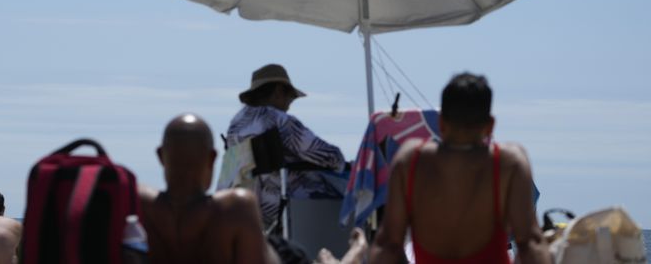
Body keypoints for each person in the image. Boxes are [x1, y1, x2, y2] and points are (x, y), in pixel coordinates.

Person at [369, 73, 551, 264]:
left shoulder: (410, 161)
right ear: (490, 126)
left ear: (440, 123)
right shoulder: (509, 164)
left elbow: (389, 245)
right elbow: (529, 244)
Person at [139, 113, 279, 264]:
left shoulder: (137, 204)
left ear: (160, 155)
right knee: (286, 250)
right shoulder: (236, 208)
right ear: (212, 157)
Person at [219, 64, 347, 229]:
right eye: (290, 97)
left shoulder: (235, 125)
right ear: (279, 91)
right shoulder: (278, 120)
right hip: (287, 209)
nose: (289, 104)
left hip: (247, 209)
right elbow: (330, 157)